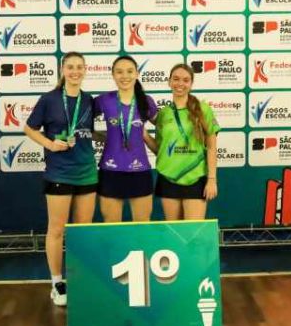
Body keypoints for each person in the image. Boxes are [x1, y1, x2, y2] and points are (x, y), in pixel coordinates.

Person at [24, 52, 97, 307]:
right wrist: (49, 144)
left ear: (85, 70)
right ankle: (57, 282)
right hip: (59, 172)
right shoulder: (49, 99)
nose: (75, 71)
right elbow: (29, 128)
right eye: (70, 67)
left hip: (87, 172)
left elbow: (88, 132)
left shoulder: (89, 100)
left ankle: (80, 278)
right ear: (62, 70)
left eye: (79, 67)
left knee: (82, 231)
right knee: (56, 229)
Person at [144, 64, 219, 220]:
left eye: (185, 80)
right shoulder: (164, 114)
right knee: (175, 231)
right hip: (168, 178)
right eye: (176, 79)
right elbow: (161, 150)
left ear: (191, 84)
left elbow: (212, 147)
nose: (180, 84)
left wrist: (212, 180)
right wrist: (144, 135)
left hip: (195, 178)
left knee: (192, 231)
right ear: (169, 82)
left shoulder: (203, 109)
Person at [94, 55, 157, 222]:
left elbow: (167, 128)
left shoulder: (146, 101)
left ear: (137, 74)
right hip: (110, 171)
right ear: (113, 75)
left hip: (140, 171)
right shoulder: (103, 100)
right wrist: (102, 137)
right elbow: (81, 124)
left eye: (129, 71)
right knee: (112, 228)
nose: (125, 76)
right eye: (119, 72)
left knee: (142, 228)